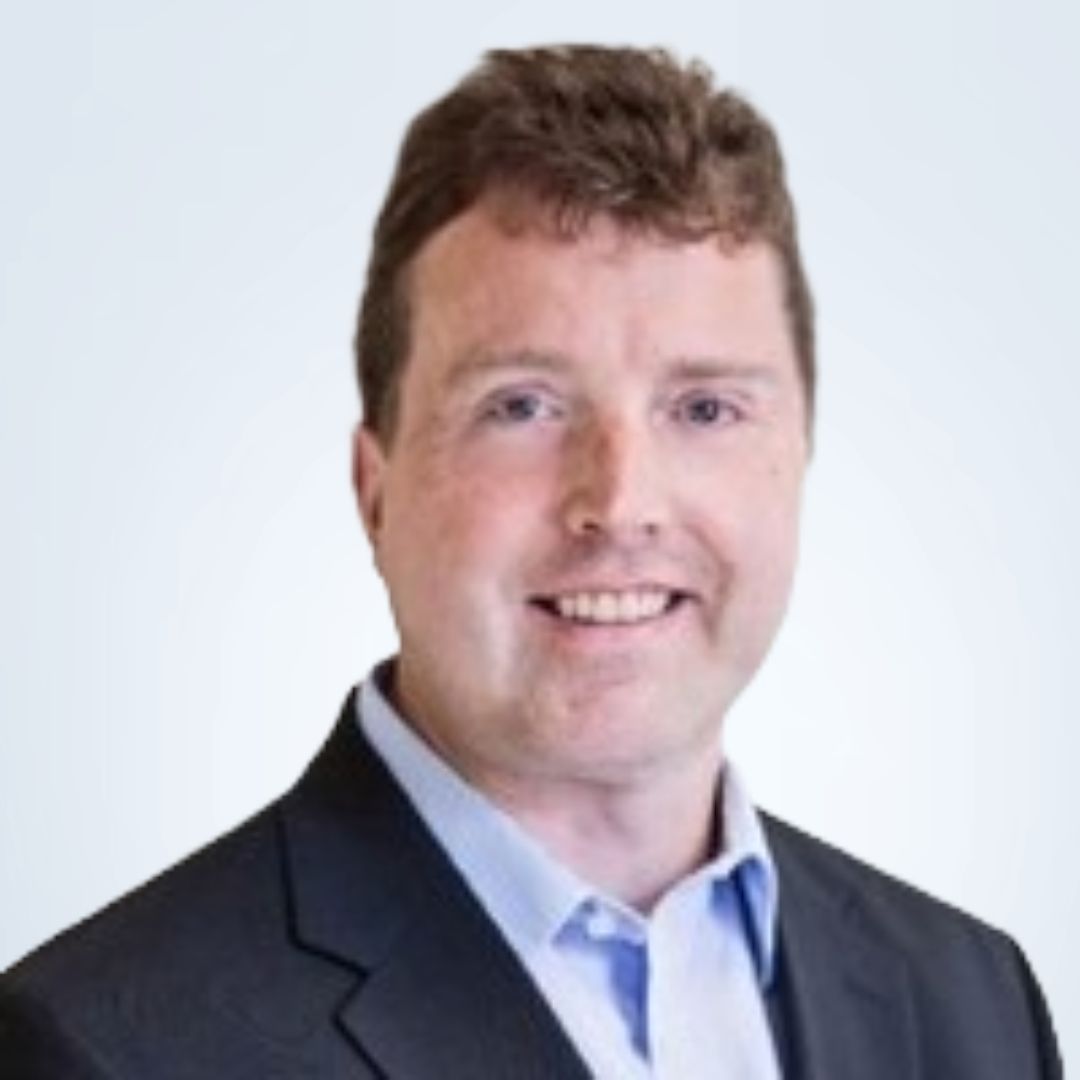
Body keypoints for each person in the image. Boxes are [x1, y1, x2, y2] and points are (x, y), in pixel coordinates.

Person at [0, 44, 1062, 1079]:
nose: (621, 502)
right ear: (375, 491)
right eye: (523, 407)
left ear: (797, 459)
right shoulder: (100, 1045)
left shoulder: (970, 999)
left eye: (705, 408)